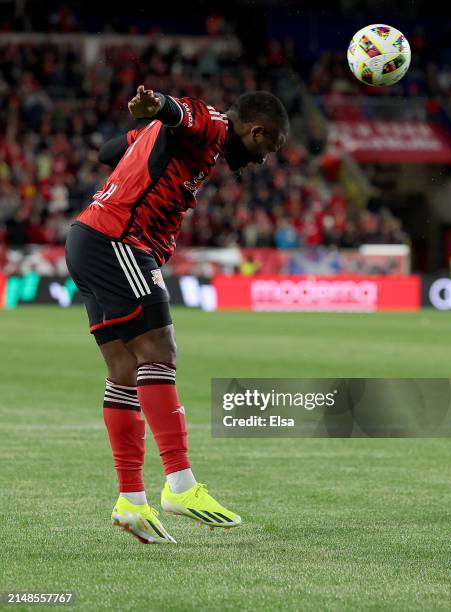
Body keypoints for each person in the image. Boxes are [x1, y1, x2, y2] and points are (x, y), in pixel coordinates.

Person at [65, 85, 289, 544]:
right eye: (268, 148)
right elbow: (180, 112)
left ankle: (131, 501)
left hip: (90, 238)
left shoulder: (189, 139)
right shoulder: (212, 126)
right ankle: (180, 485)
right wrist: (158, 110)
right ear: (256, 130)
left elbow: (112, 149)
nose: (264, 160)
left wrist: (147, 132)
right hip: (120, 240)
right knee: (159, 352)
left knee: (124, 371)